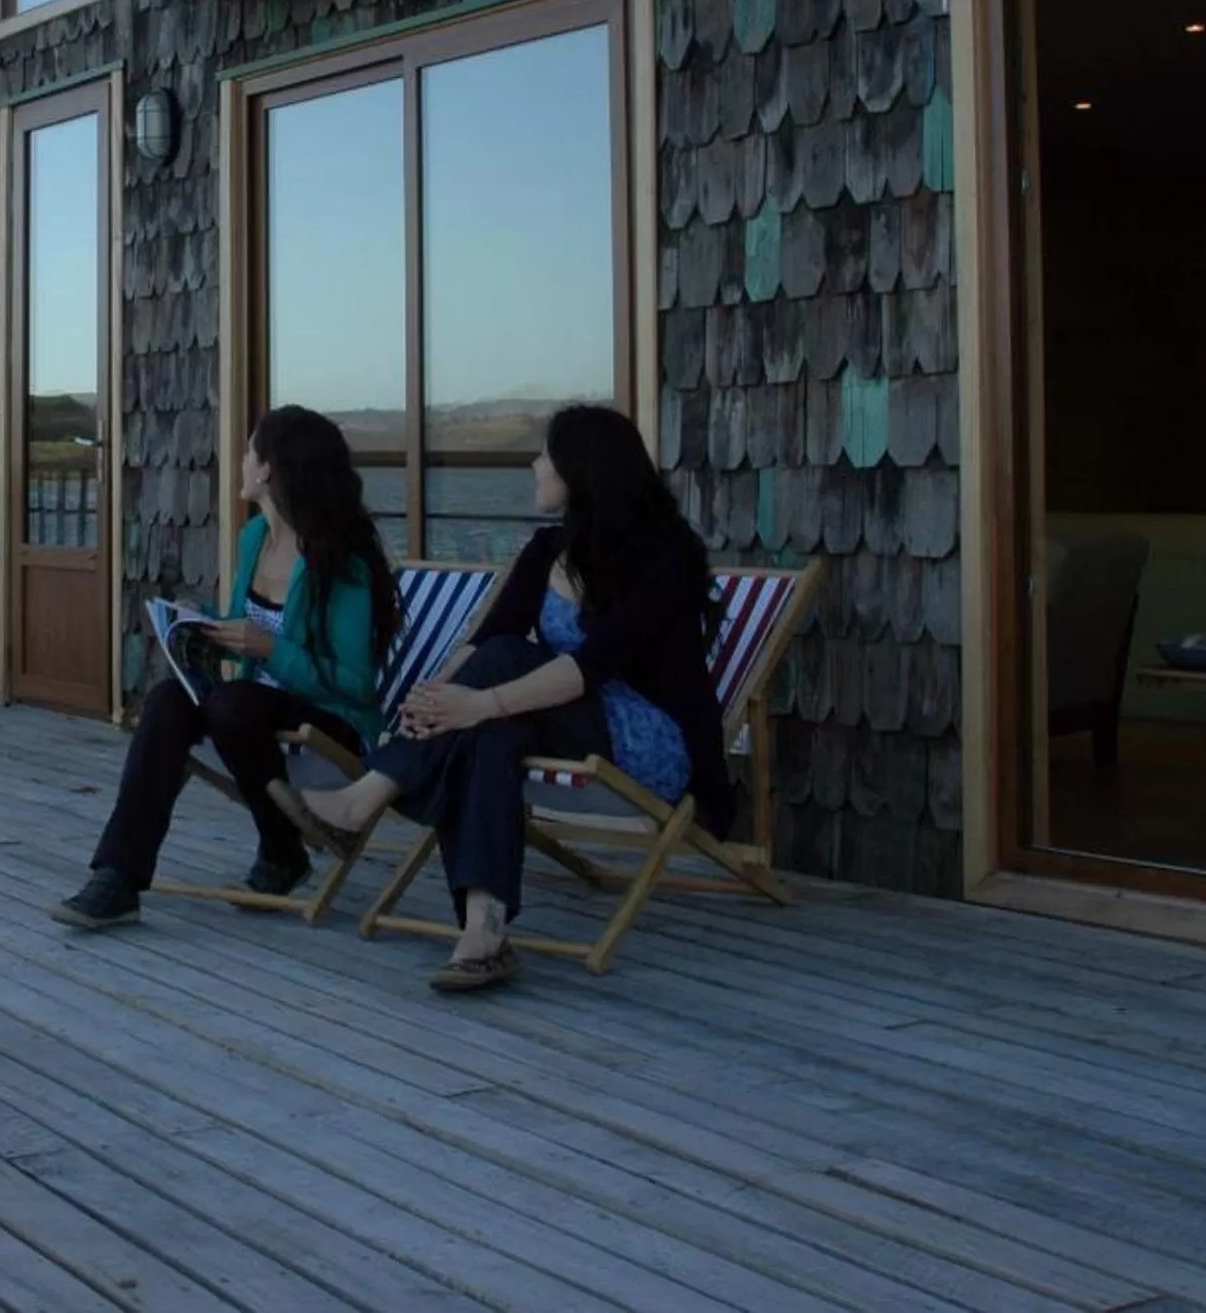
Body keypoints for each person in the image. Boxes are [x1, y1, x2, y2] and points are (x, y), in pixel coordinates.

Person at [274, 405, 732, 992]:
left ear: (581, 468)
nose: (534, 465)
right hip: (568, 720)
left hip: (651, 742)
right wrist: (436, 699)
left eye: (545, 454)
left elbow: (586, 669)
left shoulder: (661, 556)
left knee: (503, 673)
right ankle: (483, 932)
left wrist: (476, 702)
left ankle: (364, 798)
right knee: (492, 734)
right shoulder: (548, 550)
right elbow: (485, 638)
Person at [52, 406, 402, 931]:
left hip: (332, 732)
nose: (240, 461)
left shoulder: (342, 562)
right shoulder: (255, 538)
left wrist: (269, 649)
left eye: (248, 452)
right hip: (252, 720)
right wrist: (201, 630)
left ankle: (281, 852)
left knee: (232, 703)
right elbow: (242, 633)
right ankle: (119, 877)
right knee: (169, 699)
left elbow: (355, 685)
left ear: (268, 469)